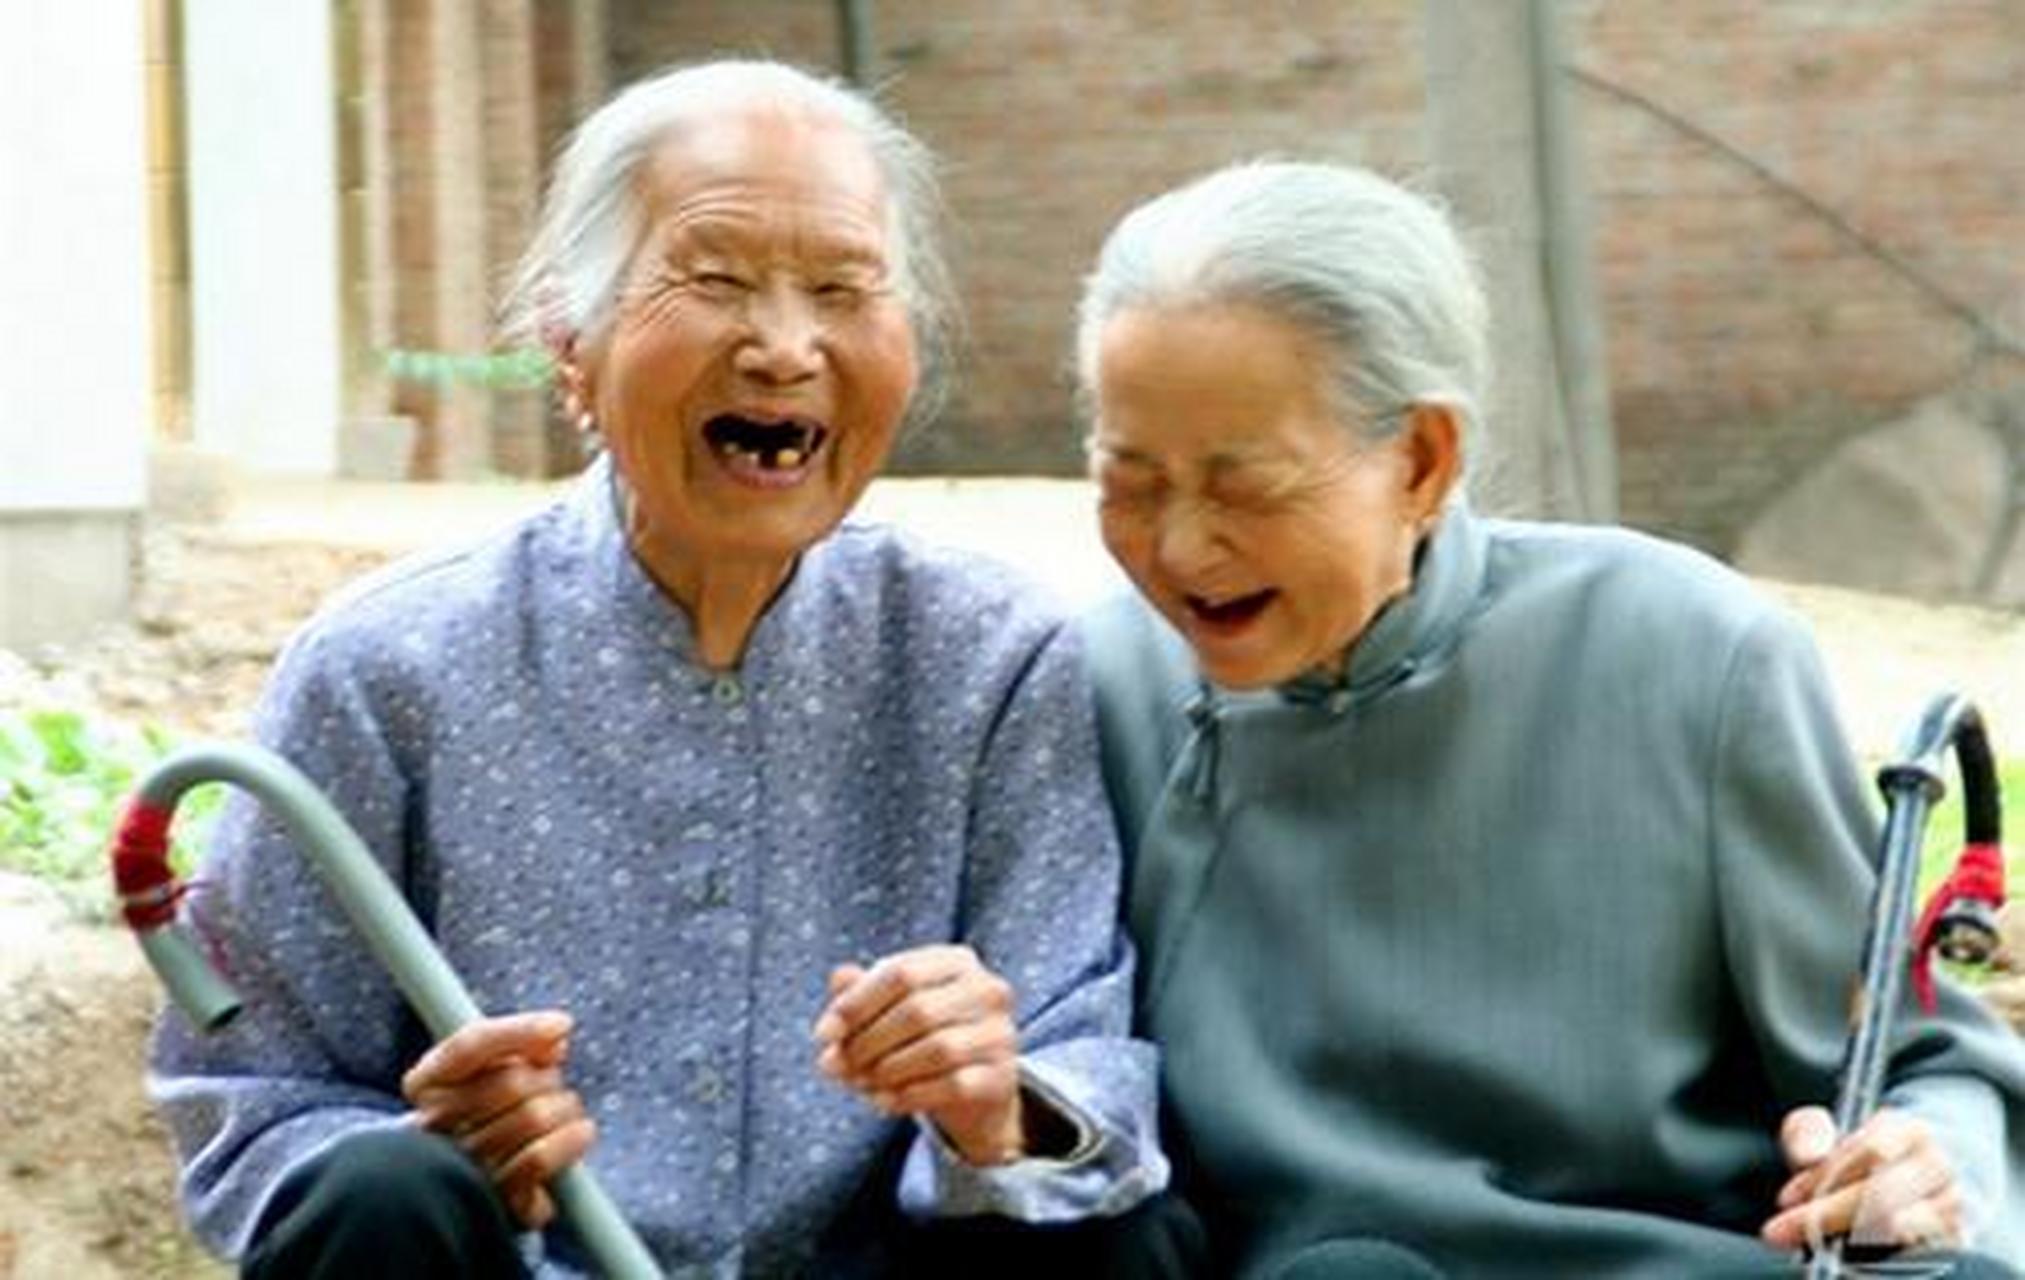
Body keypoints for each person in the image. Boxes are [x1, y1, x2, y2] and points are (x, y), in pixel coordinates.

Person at [149, 60, 1192, 1279]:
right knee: (382, 1192)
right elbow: (249, 1093)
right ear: (570, 344)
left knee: (1126, 1233)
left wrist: (995, 1107)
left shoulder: (991, 657)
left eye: (843, 289)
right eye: (716, 281)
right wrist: (440, 1153)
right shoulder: (387, 669)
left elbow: (1083, 1058)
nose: (786, 347)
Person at [1075, 160, 2025, 1277]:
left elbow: (1920, 1059)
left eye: (1245, 486)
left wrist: (1919, 1165)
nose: (1181, 546)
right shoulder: (1095, 687)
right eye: (1131, 482)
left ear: (1422, 459)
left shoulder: (1688, 653)